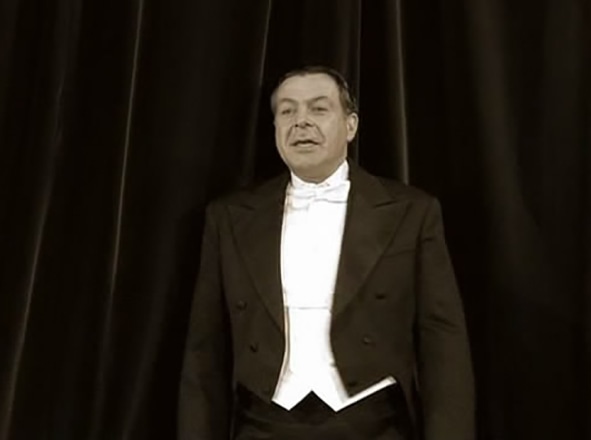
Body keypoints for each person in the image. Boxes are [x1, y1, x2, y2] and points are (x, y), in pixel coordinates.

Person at [178, 65, 475, 440]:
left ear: (350, 125)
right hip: (262, 426)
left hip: (375, 427)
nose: (300, 121)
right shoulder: (230, 217)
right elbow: (204, 352)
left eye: (318, 108)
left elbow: (443, 345)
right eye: (287, 110)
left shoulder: (411, 212)